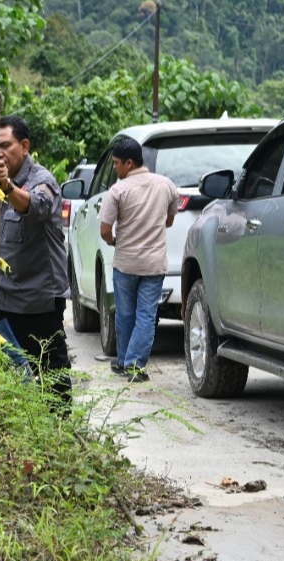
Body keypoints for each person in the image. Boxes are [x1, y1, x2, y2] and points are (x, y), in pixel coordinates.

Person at [0, 115, 72, 403]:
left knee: (49, 369)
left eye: (6, 146)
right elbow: (1, 235)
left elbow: (36, 205)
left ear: (25, 146)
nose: (0, 154)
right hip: (4, 289)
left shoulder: (41, 180)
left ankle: (61, 429)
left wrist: (8, 186)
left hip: (39, 296)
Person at [99, 138, 178, 382]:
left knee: (124, 314)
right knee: (147, 315)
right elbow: (169, 221)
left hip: (126, 264)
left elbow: (105, 229)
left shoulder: (118, 190)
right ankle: (134, 365)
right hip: (154, 265)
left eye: (116, 163)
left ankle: (125, 361)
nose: (114, 168)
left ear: (129, 163)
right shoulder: (166, 185)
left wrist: (114, 241)